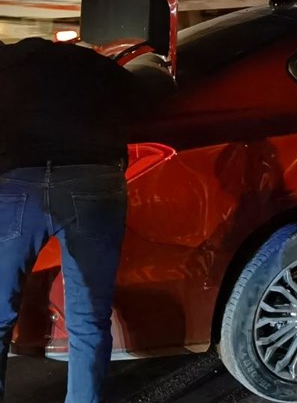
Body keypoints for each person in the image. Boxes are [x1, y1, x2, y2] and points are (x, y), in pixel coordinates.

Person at [0, 37, 173, 402]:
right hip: (93, 181)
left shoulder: (8, 65)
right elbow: (148, 96)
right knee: (88, 319)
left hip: (17, 184)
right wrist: (155, 65)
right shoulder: (90, 64)